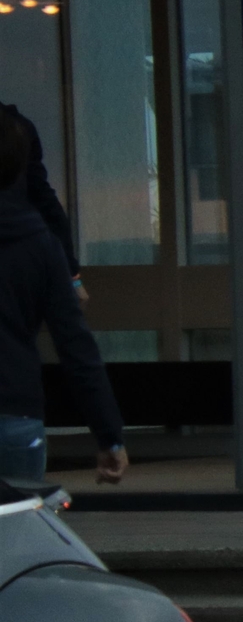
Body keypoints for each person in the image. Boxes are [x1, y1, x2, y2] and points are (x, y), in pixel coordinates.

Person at [0, 112, 121, 486]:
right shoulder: (40, 246)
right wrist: (109, 434)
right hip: (15, 408)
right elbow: (76, 346)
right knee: (17, 536)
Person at [0, 102, 81, 307]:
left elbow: (44, 200)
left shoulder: (16, 128)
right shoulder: (17, 128)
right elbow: (44, 199)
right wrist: (72, 276)